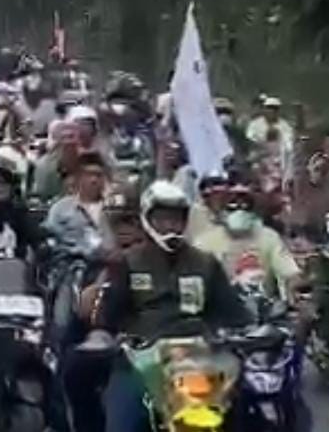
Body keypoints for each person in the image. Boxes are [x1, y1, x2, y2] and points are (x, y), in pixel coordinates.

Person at [93, 181, 249, 432]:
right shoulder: (127, 263)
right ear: (147, 220)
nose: (170, 226)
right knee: (122, 421)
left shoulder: (206, 263)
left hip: (203, 357)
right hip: (144, 360)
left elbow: (234, 313)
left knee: (249, 408)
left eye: (176, 219)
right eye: (162, 219)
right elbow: (108, 316)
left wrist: (232, 333)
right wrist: (112, 336)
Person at [193, 182, 303, 303]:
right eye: (233, 203)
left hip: (263, 308)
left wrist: (295, 288)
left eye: (245, 204)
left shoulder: (269, 237)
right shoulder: (205, 243)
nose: (239, 209)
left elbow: (289, 272)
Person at [43, 151, 114, 258]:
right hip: (73, 261)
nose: (94, 180)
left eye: (98, 175)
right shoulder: (61, 209)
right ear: (78, 178)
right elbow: (50, 238)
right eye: (88, 175)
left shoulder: (113, 207)